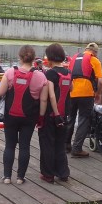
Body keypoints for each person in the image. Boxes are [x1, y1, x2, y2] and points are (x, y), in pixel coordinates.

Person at [0, 45, 48, 184]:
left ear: (19, 57)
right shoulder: (41, 76)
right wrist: (41, 117)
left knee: (9, 145)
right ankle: (20, 177)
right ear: (33, 59)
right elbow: (43, 99)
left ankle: (7, 177)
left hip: (10, 115)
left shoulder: (10, 73)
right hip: (29, 117)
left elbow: (0, 93)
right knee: (25, 146)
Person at [38, 43, 71, 183]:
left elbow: (47, 97)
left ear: (50, 57)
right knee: (60, 144)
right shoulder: (69, 73)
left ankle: (48, 174)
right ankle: (63, 173)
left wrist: (41, 116)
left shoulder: (51, 73)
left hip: (52, 115)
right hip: (64, 115)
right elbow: (71, 89)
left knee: (47, 143)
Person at [66, 42, 102, 158]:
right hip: (86, 93)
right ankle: (77, 148)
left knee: (70, 118)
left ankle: (66, 145)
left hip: (72, 92)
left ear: (85, 50)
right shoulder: (95, 60)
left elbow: (68, 75)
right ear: (95, 52)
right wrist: (98, 94)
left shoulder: (73, 58)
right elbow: (101, 81)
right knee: (83, 119)